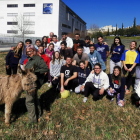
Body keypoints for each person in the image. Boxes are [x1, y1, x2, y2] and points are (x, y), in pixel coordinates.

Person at [24, 44, 48, 123]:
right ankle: (39, 113)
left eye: (30, 51)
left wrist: (34, 72)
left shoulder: (38, 59)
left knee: (29, 101)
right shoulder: (29, 59)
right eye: (27, 52)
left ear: (34, 50)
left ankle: (32, 121)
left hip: (34, 83)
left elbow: (45, 68)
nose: (29, 53)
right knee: (34, 98)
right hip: (29, 82)